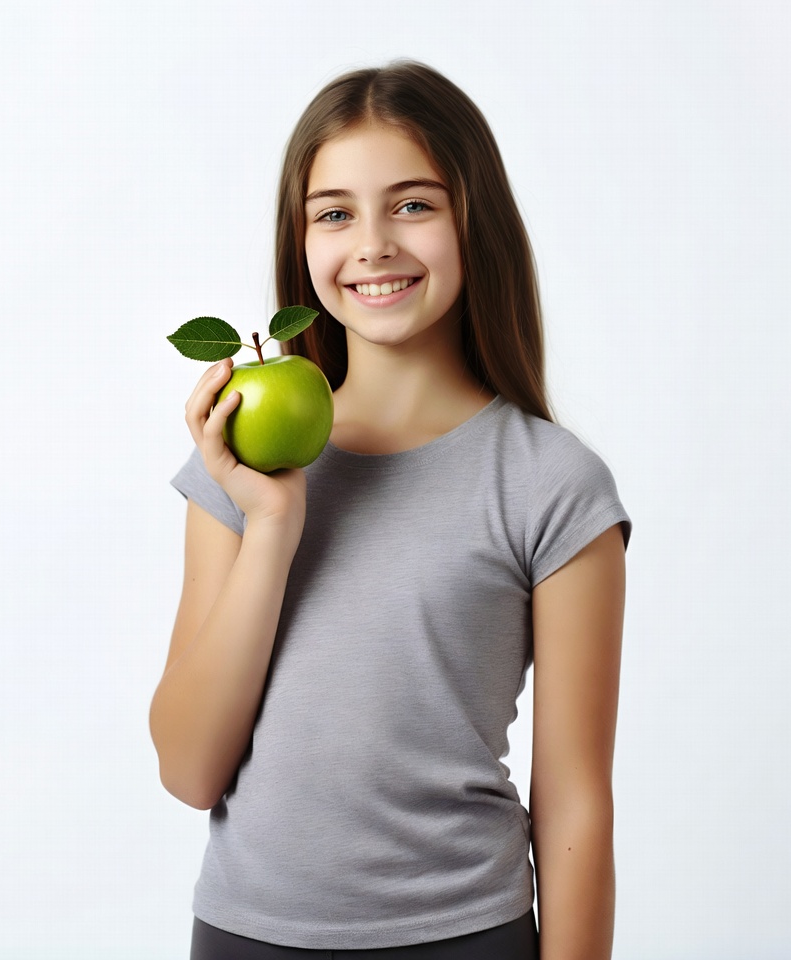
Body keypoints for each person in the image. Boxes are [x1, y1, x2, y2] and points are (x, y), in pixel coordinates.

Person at [150, 60, 630, 960]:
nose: (371, 243)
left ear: (472, 220)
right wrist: (275, 525)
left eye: (413, 204)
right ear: (304, 246)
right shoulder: (237, 461)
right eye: (334, 213)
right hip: (245, 936)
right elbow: (187, 768)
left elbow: (574, 802)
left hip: (465, 937)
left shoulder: (551, 484)